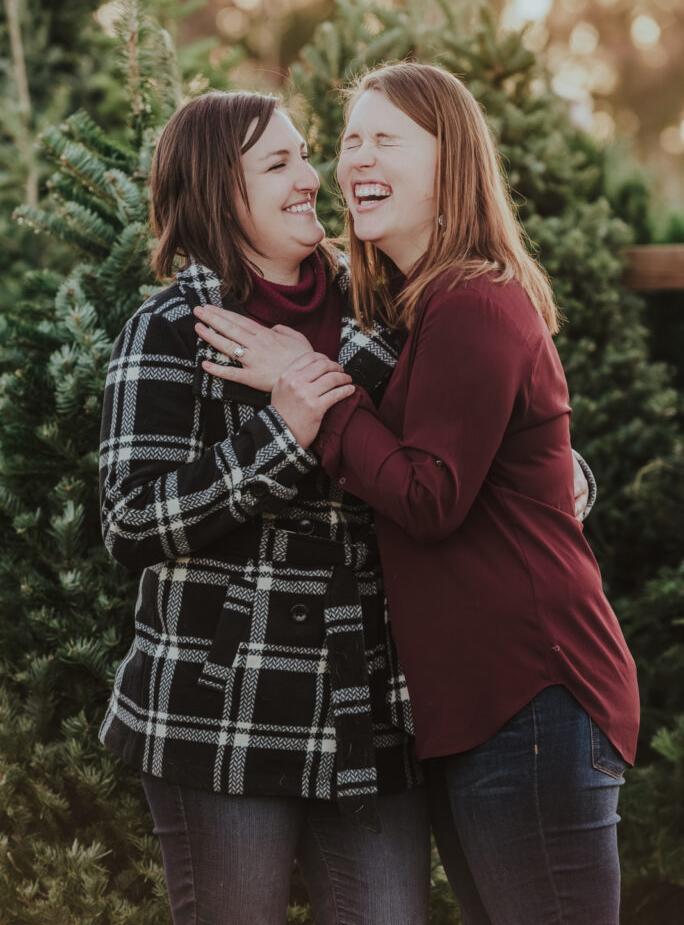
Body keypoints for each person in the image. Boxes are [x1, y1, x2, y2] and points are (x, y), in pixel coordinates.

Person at [206, 64, 639, 925]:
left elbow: (428, 492)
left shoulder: (472, 298)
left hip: (532, 697)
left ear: (452, 165)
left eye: (387, 139)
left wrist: (308, 386)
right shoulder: (426, 305)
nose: (355, 159)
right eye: (351, 141)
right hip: (486, 711)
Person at [97, 90, 431, 925]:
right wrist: (286, 431)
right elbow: (133, 518)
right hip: (220, 712)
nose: (313, 177)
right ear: (220, 192)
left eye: (304, 155)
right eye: (279, 164)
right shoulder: (171, 329)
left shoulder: (383, 307)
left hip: (367, 716)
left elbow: (468, 436)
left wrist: (561, 471)